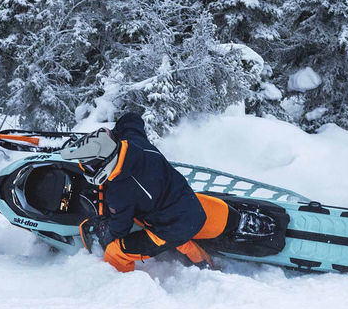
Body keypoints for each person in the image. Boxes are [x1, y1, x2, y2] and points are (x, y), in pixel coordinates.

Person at [60, 111, 230, 272]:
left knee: (115, 252)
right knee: (179, 237)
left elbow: (120, 229)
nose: (85, 169)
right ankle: (206, 263)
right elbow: (132, 119)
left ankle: (122, 288)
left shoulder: (120, 192)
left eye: (89, 166)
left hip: (172, 226)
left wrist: (105, 235)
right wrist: (111, 136)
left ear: (106, 163)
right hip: (187, 206)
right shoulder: (134, 142)